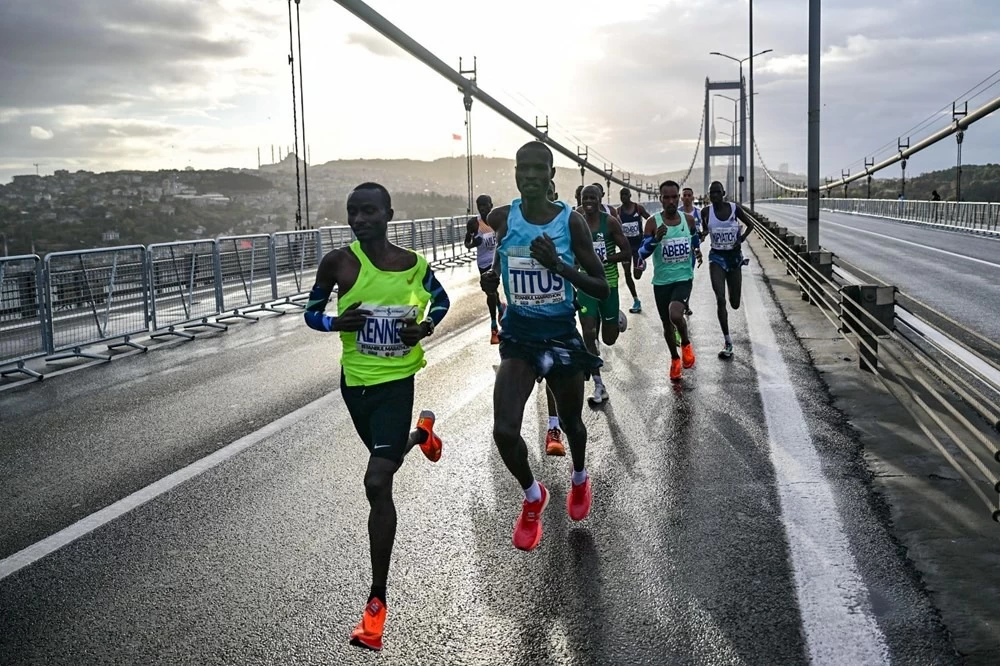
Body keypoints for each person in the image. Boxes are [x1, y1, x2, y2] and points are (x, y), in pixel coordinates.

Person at [305, 182, 450, 651]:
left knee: (376, 481)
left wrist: (423, 327)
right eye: (353, 212)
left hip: (395, 384)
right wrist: (333, 323)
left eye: (369, 211)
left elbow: (442, 301)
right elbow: (310, 312)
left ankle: (376, 601)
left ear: (389, 212)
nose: (360, 219)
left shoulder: (413, 265)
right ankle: (422, 434)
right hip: (355, 386)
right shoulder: (338, 262)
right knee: (384, 463)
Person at [480, 141, 608, 551]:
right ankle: (534, 496)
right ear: (515, 174)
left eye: (539, 169)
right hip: (519, 340)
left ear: (551, 175)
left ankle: (579, 477)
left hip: (562, 339)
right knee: (504, 430)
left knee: (572, 424)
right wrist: (489, 277)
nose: (531, 176)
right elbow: (487, 256)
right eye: (523, 168)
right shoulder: (502, 218)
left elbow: (601, 287)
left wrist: (558, 266)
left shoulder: (571, 224)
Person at [638, 180, 701, 381]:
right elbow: (642, 252)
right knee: (666, 324)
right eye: (667, 197)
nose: (672, 201)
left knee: (675, 314)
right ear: (661, 199)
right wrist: (655, 239)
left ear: (679, 197)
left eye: (675, 197)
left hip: (683, 278)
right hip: (661, 282)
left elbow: (694, 238)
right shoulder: (652, 223)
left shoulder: (688, 220)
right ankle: (675, 359)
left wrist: (697, 250)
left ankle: (685, 343)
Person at [578, 184, 632, 405]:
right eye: (585, 197)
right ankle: (599, 385)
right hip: (585, 284)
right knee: (589, 332)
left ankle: (614, 316)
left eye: (592, 197)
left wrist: (606, 258)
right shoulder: (576, 220)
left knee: (609, 339)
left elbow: (627, 252)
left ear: (600, 199)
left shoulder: (609, 222)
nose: (588, 201)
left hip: (607, 284)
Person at [699, 180, 754, 359]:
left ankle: (729, 334)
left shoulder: (734, 208)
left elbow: (750, 225)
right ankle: (727, 341)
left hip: (734, 257)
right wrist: (697, 239)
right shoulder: (705, 212)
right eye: (711, 193)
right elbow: (705, 231)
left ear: (723, 193)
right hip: (716, 258)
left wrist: (742, 239)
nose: (714, 195)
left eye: (717, 192)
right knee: (720, 299)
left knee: (734, 303)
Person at [465, 194, 501, 343]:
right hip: (484, 262)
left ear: (491, 205)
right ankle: (495, 322)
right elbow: (467, 243)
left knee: (495, 291)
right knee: (490, 292)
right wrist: (474, 243)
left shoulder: (498, 220)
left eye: (486, 205)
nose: (484, 209)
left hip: (498, 259)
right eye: (480, 206)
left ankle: (497, 320)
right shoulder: (474, 223)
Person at [616, 187, 649, 314]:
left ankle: (641, 265)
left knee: (637, 275)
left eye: (625, 194)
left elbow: (649, 219)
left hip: (638, 247)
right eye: (621, 195)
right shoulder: (618, 211)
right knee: (627, 274)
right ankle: (636, 300)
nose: (623, 197)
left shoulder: (638, 208)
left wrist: (649, 235)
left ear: (630, 195)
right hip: (626, 248)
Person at [678, 186, 702, 317]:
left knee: (688, 279)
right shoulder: (677, 213)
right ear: (681, 198)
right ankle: (679, 303)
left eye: (689, 195)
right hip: (679, 252)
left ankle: (686, 303)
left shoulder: (698, 213)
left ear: (693, 198)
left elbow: (705, 230)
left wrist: (700, 239)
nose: (687, 198)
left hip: (691, 253)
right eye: (684, 195)